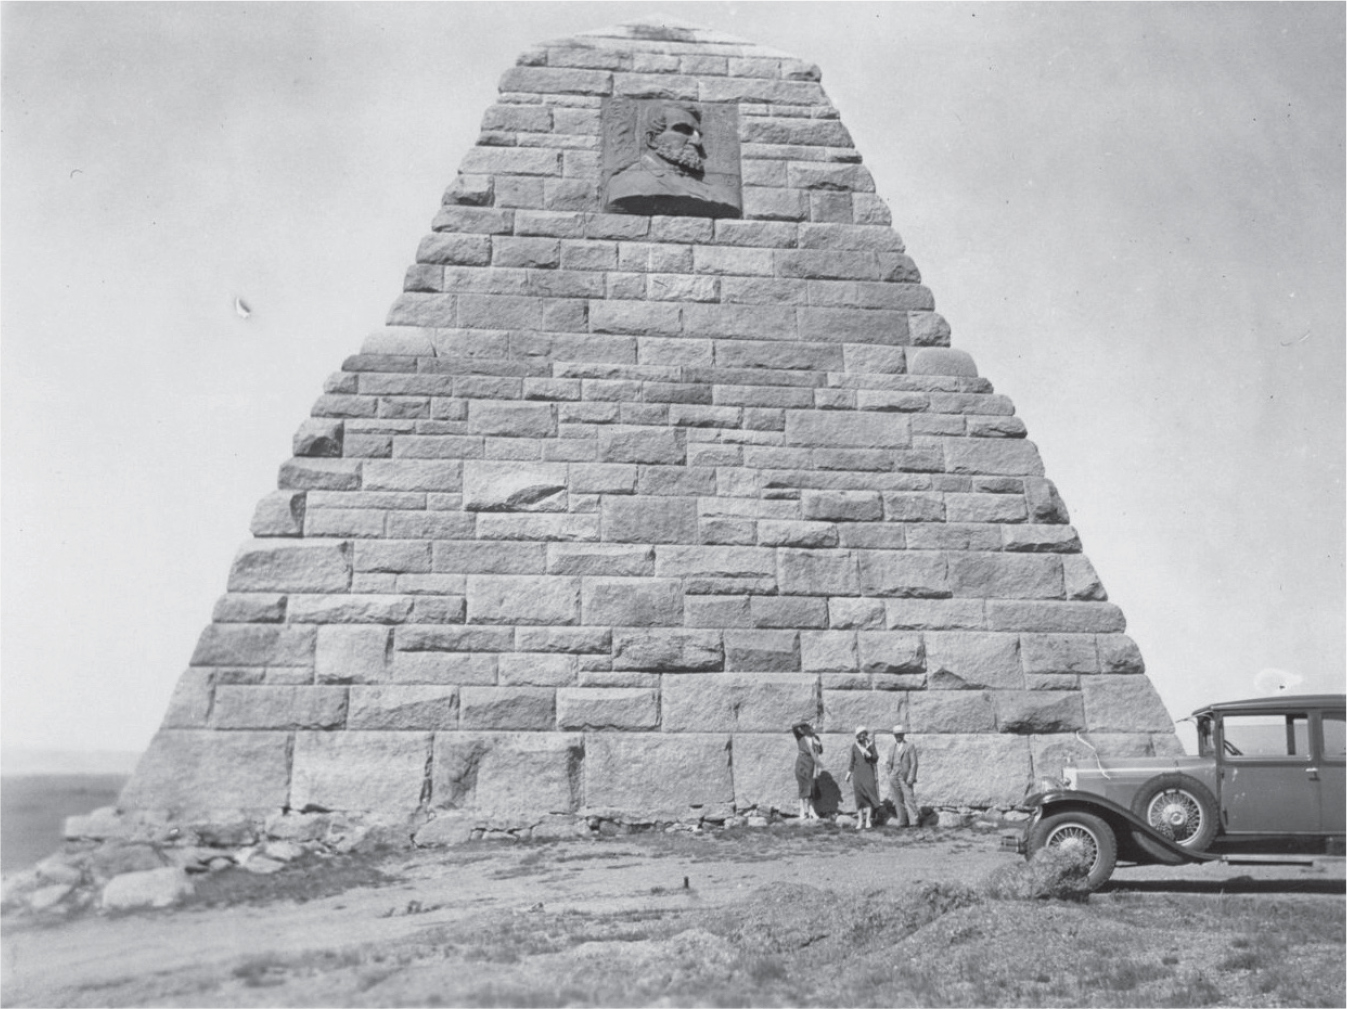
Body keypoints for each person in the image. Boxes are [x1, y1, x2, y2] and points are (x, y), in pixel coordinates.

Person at [604, 102, 741, 217]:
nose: (697, 141)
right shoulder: (625, 185)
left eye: (698, 134)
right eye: (683, 130)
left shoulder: (714, 192)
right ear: (652, 139)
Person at [845, 726, 880, 830]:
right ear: (857, 736)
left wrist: (868, 751)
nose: (862, 735)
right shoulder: (854, 746)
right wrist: (848, 773)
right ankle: (860, 820)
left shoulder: (870, 745)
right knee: (859, 797)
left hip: (868, 772)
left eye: (864, 733)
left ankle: (868, 820)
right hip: (858, 774)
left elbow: (875, 759)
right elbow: (852, 761)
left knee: (868, 795)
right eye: (860, 734)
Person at [885, 724, 920, 827]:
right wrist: (890, 774)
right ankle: (902, 821)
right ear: (894, 735)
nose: (898, 736)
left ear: (903, 734)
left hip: (905, 777)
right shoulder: (892, 747)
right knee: (897, 800)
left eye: (900, 734)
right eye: (896, 735)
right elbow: (888, 762)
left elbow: (914, 763)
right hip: (894, 776)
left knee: (909, 798)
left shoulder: (909, 746)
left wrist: (911, 777)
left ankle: (914, 822)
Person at [791, 722, 822, 820]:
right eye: (805, 728)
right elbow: (794, 727)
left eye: (809, 728)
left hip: (811, 765)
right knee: (802, 787)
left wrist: (818, 745)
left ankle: (812, 810)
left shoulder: (816, 738)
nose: (807, 729)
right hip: (801, 764)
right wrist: (804, 723)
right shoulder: (800, 737)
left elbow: (820, 751)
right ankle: (802, 810)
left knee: (812, 788)